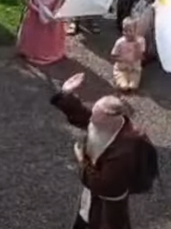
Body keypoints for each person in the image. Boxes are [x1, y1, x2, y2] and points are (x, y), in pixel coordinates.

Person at [52, 73, 155, 229]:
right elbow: (85, 118)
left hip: (107, 204)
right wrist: (66, 93)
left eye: (96, 118)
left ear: (112, 120)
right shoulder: (106, 125)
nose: (91, 120)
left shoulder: (125, 150)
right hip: (94, 195)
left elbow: (104, 185)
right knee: (85, 216)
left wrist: (82, 160)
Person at [111, 17, 146, 92]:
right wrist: (123, 59)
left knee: (133, 87)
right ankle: (119, 78)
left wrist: (137, 47)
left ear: (136, 31)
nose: (126, 33)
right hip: (121, 69)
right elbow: (113, 56)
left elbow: (141, 57)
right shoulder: (120, 42)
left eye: (130, 31)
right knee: (124, 87)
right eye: (124, 30)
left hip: (134, 69)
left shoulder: (141, 41)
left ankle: (132, 79)